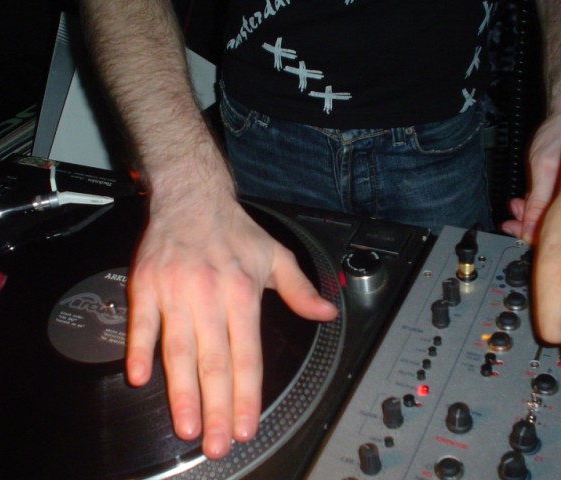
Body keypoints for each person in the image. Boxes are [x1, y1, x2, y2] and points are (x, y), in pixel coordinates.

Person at [80, 0, 561, 460]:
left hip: (436, 131)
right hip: (266, 130)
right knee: (275, 355)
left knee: (461, 356)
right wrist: (187, 187)